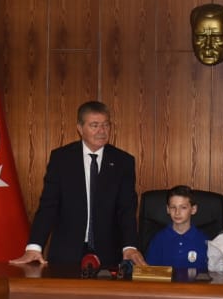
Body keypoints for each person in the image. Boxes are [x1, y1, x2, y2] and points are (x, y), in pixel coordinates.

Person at [11, 101, 141, 270]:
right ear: (80, 128)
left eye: (106, 125)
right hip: (66, 252)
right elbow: (48, 206)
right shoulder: (61, 159)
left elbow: (127, 209)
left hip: (109, 253)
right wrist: (34, 247)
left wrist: (129, 246)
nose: (102, 131)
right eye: (94, 125)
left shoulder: (123, 161)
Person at [144, 185, 209, 269]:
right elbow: (150, 272)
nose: (177, 212)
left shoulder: (204, 241)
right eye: (173, 207)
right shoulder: (158, 240)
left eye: (183, 208)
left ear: (193, 209)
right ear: (168, 209)